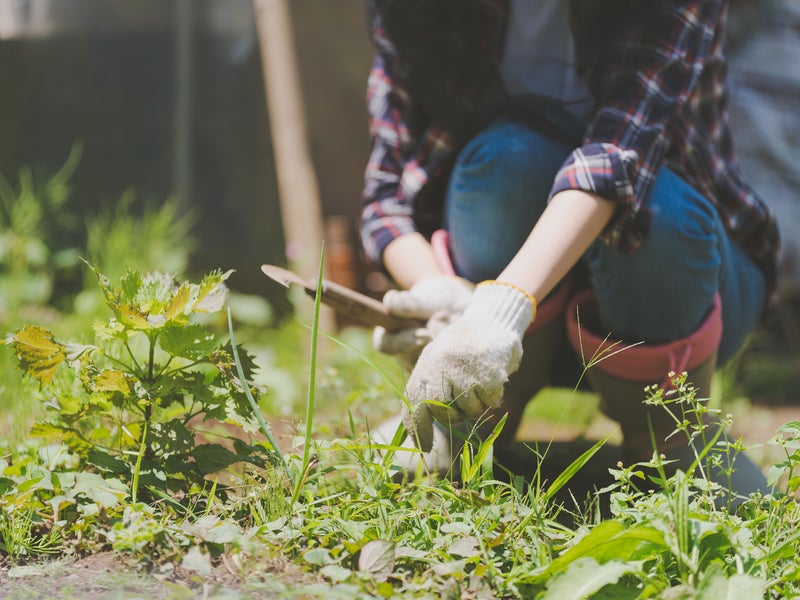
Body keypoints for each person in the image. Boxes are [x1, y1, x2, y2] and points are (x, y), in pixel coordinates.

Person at [359, 0, 780, 499]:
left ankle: (672, 436)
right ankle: (477, 413)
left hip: (680, 282)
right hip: (515, 312)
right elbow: (386, 197)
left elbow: (613, 162)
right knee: (506, 158)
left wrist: (500, 309)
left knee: (657, 210)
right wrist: (442, 292)